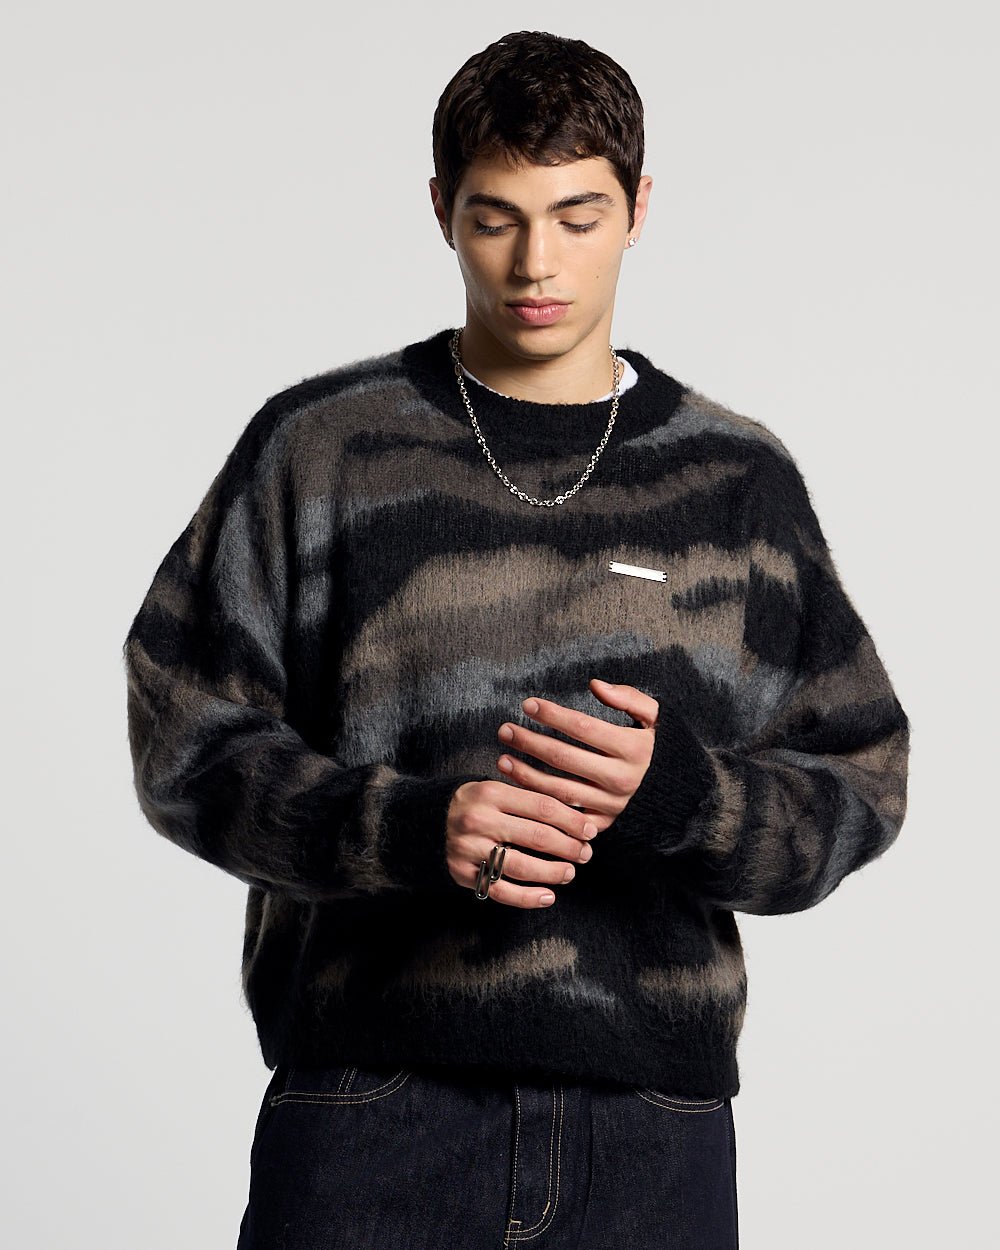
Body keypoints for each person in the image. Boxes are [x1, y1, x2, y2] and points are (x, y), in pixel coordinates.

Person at [123, 29, 910, 1250]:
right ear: (441, 208)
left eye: (577, 216)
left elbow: (859, 783)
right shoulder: (321, 448)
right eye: (496, 219)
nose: (536, 262)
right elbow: (186, 739)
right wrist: (404, 826)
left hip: (650, 1128)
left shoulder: (734, 478)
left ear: (638, 209)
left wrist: (682, 797)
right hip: (370, 1106)